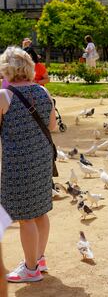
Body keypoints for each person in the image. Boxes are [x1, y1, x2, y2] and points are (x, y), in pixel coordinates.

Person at [0, 46, 57, 283]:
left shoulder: (4, 96)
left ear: (7, 69)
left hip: (18, 163)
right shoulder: (43, 92)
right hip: (41, 158)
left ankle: (31, 268)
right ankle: (39, 258)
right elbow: (52, 126)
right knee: (40, 211)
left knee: (26, 217)